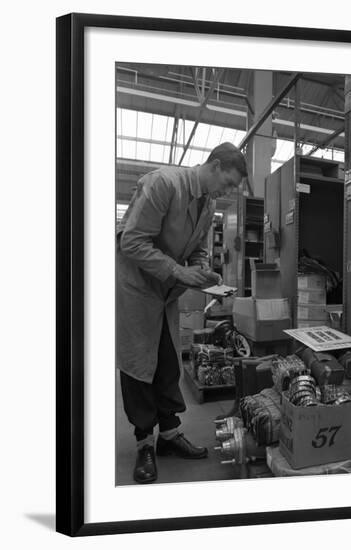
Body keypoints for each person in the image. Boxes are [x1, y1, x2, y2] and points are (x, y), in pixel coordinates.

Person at [117, 142, 248, 483]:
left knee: (167, 361)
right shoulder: (162, 184)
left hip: (166, 293)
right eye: (230, 182)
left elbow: (199, 250)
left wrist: (204, 271)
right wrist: (178, 272)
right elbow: (130, 241)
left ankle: (170, 435)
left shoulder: (208, 203)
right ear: (215, 165)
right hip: (138, 288)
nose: (230, 190)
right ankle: (145, 442)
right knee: (138, 365)